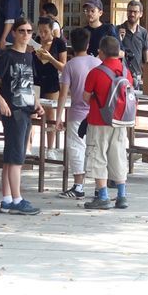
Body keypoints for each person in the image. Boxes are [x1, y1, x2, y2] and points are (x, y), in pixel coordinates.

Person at [0, 16, 44, 215]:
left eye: (29, 31)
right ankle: (17, 198)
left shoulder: (29, 56)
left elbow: (28, 84)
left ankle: (8, 199)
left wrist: (36, 103)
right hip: (13, 110)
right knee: (16, 157)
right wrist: (0, 101)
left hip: (26, 109)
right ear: (14, 33)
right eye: (22, 31)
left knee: (11, 157)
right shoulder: (8, 56)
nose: (26, 35)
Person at [82, 35, 131, 210]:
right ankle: (121, 195)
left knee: (98, 155)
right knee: (118, 155)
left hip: (98, 120)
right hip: (120, 121)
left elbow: (85, 97)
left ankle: (102, 195)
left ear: (101, 52)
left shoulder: (96, 72)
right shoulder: (126, 72)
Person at [56, 27, 97, 199]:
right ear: (88, 44)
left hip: (76, 113)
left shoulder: (70, 66)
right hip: (95, 114)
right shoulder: (97, 63)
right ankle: (98, 186)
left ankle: (78, 186)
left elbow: (64, 93)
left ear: (71, 45)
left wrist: (58, 116)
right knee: (95, 149)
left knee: (76, 148)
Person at [33, 16, 69, 159]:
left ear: (52, 31)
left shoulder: (59, 43)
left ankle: (50, 147)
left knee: (50, 114)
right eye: (40, 31)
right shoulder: (35, 42)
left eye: (45, 32)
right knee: (32, 113)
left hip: (52, 81)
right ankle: (28, 146)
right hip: (36, 80)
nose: (42, 35)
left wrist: (50, 58)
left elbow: (63, 66)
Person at [117, 0, 148, 90]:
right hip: (121, 74)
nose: (132, 14)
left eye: (135, 12)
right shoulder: (118, 29)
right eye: (130, 11)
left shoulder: (143, 32)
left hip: (137, 75)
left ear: (141, 14)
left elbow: (147, 56)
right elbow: (114, 53)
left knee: (134, 103)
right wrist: (119, 39)